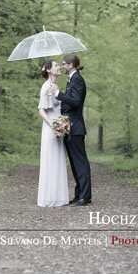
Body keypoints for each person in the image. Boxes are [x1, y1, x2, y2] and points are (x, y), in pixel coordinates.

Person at [50, 54, 91, 206]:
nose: (62, 67)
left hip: (76, 128)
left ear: (71, 65)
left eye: (64, 64)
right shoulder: (72, 79)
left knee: (80, 163)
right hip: (70, 128)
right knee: (75, 164)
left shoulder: (77, 79)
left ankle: (85, 196)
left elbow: (75, 101)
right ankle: (79, 194)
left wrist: (57, 94)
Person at [37, 60, 69, 207]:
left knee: (57, 161)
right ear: (49, 70)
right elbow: (41, 110)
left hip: (57, 128)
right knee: (51, 161)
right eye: (56, 66)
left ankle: (58, 197)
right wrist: (53, 127)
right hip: (50, 129)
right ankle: (49, 198)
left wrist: (60, 126)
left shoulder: (54, 87)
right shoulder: (46, 87)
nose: (59, 67)